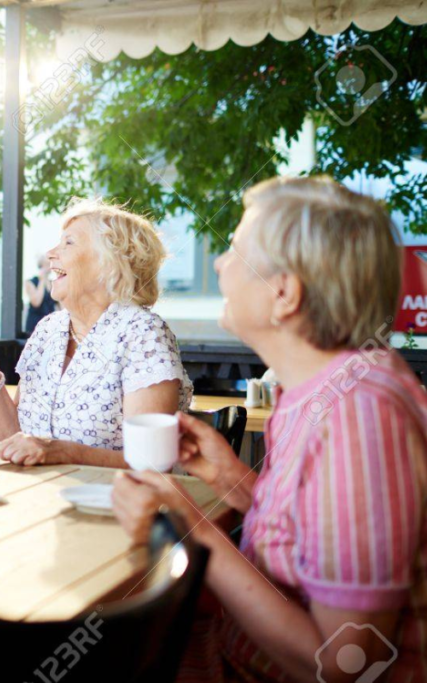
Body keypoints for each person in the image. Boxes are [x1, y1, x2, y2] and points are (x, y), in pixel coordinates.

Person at [112, 177, 427, 682]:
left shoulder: (361, 415)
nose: (217, 264)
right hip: (234, 650)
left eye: (234, 251)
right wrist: (231, 478)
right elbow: (315, 535)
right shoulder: (322, 391)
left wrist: (185, 529)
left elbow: (346, 665)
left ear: (283, 293)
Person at [0, 198, 192, 467]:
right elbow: (16, 441)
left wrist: (62, 452)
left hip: (112, 503)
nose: (50, 253)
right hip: (39, 497)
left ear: (109, 263)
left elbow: (151, 463)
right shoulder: (48, 329)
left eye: (68, 243)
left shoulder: (144, 333)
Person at [24, 255, 56, 336]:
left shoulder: (53, 283)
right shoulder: (31, 282)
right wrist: (42, 280)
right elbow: (36, 303)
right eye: (47, 264)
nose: (50, 266)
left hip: (50, 326)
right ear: (41, 266)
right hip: (35, 325)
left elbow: (59, 305)